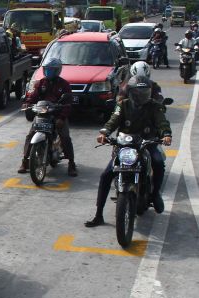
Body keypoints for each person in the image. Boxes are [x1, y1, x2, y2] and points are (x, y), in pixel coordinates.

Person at [85, 75, 172, 227]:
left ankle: (155, 193)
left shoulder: (154, 106)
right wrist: (104, 133)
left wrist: (166, 134)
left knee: (158, 162)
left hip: (147, 143)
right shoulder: (123, 105)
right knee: (106, 175)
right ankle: (99, 214)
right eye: (138, 93)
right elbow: (114, 119)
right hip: (125, 145)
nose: (141, 96)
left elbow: (161, 121)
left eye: (144, 93)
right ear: (131, 92)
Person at [18, 58, 77, 177]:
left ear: (57, 70)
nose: (47, 72)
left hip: (57, 114)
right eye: (46, 69)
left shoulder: (64, 85)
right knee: (30, 135)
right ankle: (25, 161)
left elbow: (68, 103)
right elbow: (34, 97)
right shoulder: (41, 83)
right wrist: (28, 103)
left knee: (65, 136)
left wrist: (62, 117)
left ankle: (71, 163)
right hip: (42, 113)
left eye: (50, 70)